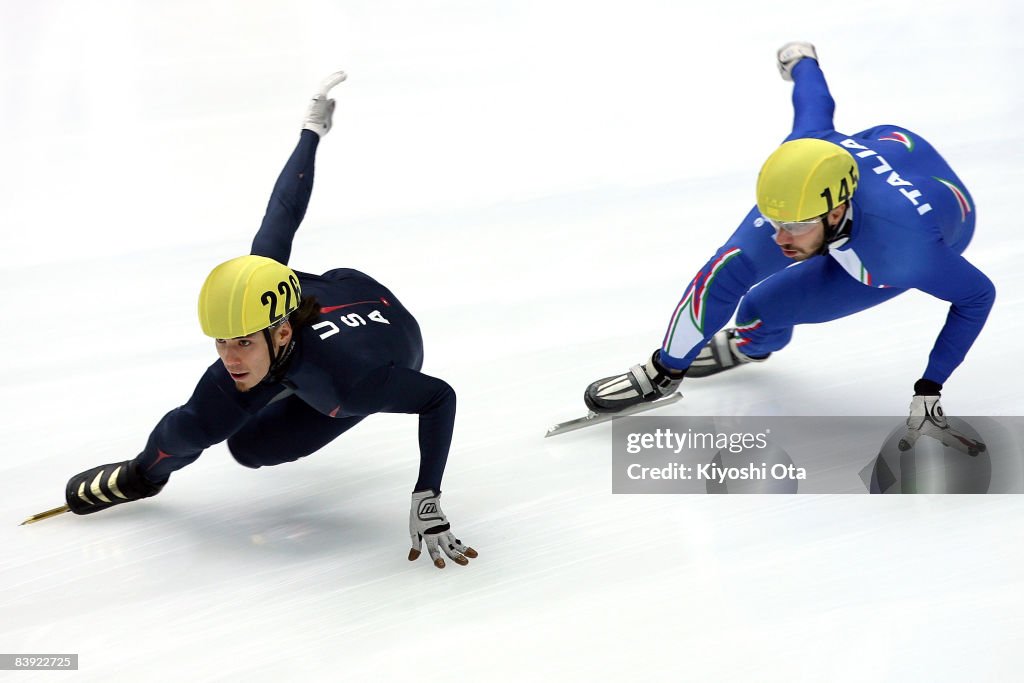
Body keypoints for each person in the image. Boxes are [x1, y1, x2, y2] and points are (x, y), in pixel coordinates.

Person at [63, 71, 477, 569]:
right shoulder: (265, 290)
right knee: (196, 423)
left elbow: (438, 397)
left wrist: (426, 493)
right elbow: (283, 209)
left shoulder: (347, 387)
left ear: (280, 332)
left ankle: (278, 391)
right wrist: (311, 130)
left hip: (384, 351)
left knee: (250, 446)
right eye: (221, 342)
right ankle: (143, 477)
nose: (229, 358)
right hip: (313, 333)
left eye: (240, 344)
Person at [585, 43, 994, 454]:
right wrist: (802, 60)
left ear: (834, 214)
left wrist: (930, 385)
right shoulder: (807, 146)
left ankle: (749, 345)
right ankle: (705, 354)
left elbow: (978, 297)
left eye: (794, 228)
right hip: (886, 146)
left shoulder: (903, 255)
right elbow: (815, 100)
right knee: (733, 267)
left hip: (938, 218)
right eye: (775, 222)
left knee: (762, 310)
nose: (780, 238)